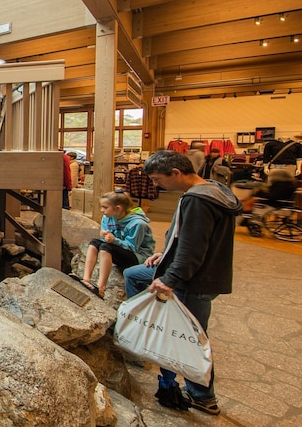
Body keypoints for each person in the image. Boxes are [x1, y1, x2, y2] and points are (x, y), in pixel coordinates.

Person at [122, 150, 240, 415]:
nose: (155, 185)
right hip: (201, 275)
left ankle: (202, 396)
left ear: (176, 173)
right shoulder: (212, 190)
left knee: (191, 338)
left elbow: (193, 248)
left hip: (193, 280)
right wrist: (165, 254)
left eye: (157, 179)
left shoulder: (197, 200)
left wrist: (170, 279)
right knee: (135, 275)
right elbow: (187, 239)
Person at [75, 191, 154, 299]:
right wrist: (105, 236)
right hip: (118, 248)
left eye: (105, 207)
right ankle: (86, 279)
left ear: (118, 208)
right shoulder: (108, 217)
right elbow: (104, 238)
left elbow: (132, 247)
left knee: (105, 247)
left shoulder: (138, 224)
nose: (102, 210)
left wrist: (114, 240)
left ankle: (101, 287)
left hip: (137, 256)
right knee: (94, 242)